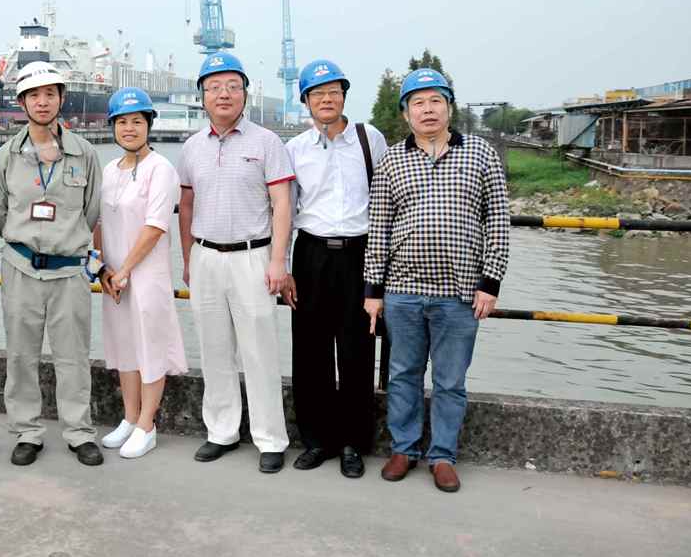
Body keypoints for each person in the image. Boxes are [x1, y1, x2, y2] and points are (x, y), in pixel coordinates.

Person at [363, 68, 510, 493]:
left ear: (449, 107)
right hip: (403, 292)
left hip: (460, 294)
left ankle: (443, 455)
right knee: (402, 375)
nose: (427, 110)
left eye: (435, 101)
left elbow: (498, 220)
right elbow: (379, 227)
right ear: (406, 113)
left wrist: (490, 282)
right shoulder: (392, 160)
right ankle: (403, 448)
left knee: (450, 380)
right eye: (418, 103)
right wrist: (373, 291)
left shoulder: (480, 153)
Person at [178, 51, 295, 474]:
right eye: (214, 87)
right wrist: (188, 258)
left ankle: (270, 438)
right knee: (214, 349)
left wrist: (279, 260)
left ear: (245, 93)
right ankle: (221, 431)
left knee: (259, 350)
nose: (223, 94)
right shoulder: (192, 147)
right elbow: (186, 205)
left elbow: (282, 204)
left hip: (253, 256)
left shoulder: (266, 142)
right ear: (202, 97)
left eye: (232, 86)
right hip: (206, 256)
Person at [0, 61, 104, 467]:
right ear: (21, 102)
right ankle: (27, 431)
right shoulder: (5, 157)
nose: (42, 102)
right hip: (21, 267)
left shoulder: (85, 154)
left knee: (73, 356)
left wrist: (65, 242)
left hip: (69, 271)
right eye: (34, 95)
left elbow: (91, 212)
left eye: (50, 94)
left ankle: (79, 431)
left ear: (61, 99)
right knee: (21, 356)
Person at [285, 60, 388, 479]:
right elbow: (285, 210)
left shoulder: (369, 138)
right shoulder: (295, 148)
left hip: (358, 252)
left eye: (334, 92)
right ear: (306, 101)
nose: (326, 99)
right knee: (310, 351)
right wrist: (284, 266)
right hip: (311, 253)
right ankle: (317, 440)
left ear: (344, 97)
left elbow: (385, 199)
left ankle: (353, 444)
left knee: (357, 349)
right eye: (318, 93)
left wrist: (381, 271)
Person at [94, 87, 187, 459]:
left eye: (136, 121)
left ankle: (148, 424)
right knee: (123, 346)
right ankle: (129, 417)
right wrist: (103, 269)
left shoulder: (160, 169)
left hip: (146, 275)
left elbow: (155, 226)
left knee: (150, 346)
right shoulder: (109, 171)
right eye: (122, 122)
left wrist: (125, 271)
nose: (129, 128)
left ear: (149, 124)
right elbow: (99, 222)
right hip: (114, 276)